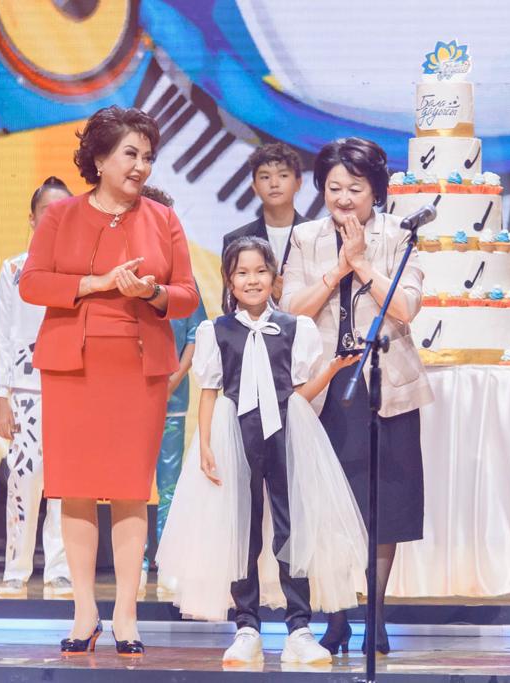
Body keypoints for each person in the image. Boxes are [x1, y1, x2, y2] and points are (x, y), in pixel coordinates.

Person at [19, 106, 199, 656]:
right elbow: (32, 283)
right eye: (130, 154)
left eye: (148, 156)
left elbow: (187, 294)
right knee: (74, 487)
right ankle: (83, 611)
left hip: (137, 368)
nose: (141, 166)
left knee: (129, 490)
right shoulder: (60, 216)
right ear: (99, 159)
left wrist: (153, 293)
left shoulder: (163, 219)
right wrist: (95, 284)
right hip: (73, 366)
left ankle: (125, 612)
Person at [156, 236, 366, 666]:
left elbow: (299, 393)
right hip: (235, 435)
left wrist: (332, 369)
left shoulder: (295, 328)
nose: (252, 280)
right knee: (242, 530)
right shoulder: (216, 331)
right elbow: (210, 391)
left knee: (292, 528)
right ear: (229, 280)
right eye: (242, 272)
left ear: (274, 277)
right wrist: (206, 444)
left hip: (287, 434)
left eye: (260, 271)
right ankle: (246, 625)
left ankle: (299, 627)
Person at [281, 137, 434, 655]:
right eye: (333, 188)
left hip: (385, 387)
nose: (343, 198)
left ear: (376, 191)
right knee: (328, 504)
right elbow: (291, 309)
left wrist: (363, 263)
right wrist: (337, 270)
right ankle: (336, 615)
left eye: (355, 188)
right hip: (327, 387)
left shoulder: (399, 235)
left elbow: (406, 308)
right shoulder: (305, 237)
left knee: (384, 506)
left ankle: (376, 615)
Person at [0, 177, 74, 599]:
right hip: (24, 389)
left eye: (62, 211)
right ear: (32, 217)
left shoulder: (83, 270)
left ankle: (61, 568)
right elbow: (1, 336)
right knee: (24, 479)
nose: (54, 218)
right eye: (46, 211)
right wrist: (0, 397)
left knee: (66, 483)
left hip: (71, 387)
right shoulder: (13, 270)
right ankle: (16, 567)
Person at [135, 185, 208, 598]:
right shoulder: (123, 274)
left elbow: (197, 333)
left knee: (170, 485)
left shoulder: (183, 278)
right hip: (129, 399)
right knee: (131, 485)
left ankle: (167, 561)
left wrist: (174, 378)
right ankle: (135, 562)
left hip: (172, 400)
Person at [222, 143, 306, 305]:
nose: (274, 183)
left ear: (298, 182)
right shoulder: (234, 239)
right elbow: (229, 304)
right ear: (254, 186)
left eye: (283, 175)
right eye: (265, 177)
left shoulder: (316, 234)